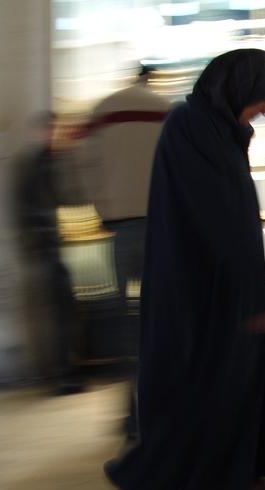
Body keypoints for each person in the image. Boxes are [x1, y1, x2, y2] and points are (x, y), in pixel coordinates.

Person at [104, 49, 265, 490]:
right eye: (262, 98)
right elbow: (215, 217)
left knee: (243, 386)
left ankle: (245, 475)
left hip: (228, 287)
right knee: (203, 392)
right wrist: (261, 297)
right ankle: (141, 476)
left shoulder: (217, 129)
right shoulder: (192, 127)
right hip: (205, 294)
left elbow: (230, 217)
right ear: (236, 90)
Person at [83, 64, 170, 438]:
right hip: (162, 227)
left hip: (120, 228)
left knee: (126, 326)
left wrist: (101, 206)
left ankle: (132, 414)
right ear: (151, 78)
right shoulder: (166, 109)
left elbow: (84, 164)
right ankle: (165, 408)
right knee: (162, 323)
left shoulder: (104, 109)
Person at [14, 112, 84, 395]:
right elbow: (43, 202)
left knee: (62, 310)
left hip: (48, 243)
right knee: (59, 312)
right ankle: (63, 374)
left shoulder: (43, 161)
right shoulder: (36, 163)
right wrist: (37, 238)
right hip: (46, 245)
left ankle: (66, 372)